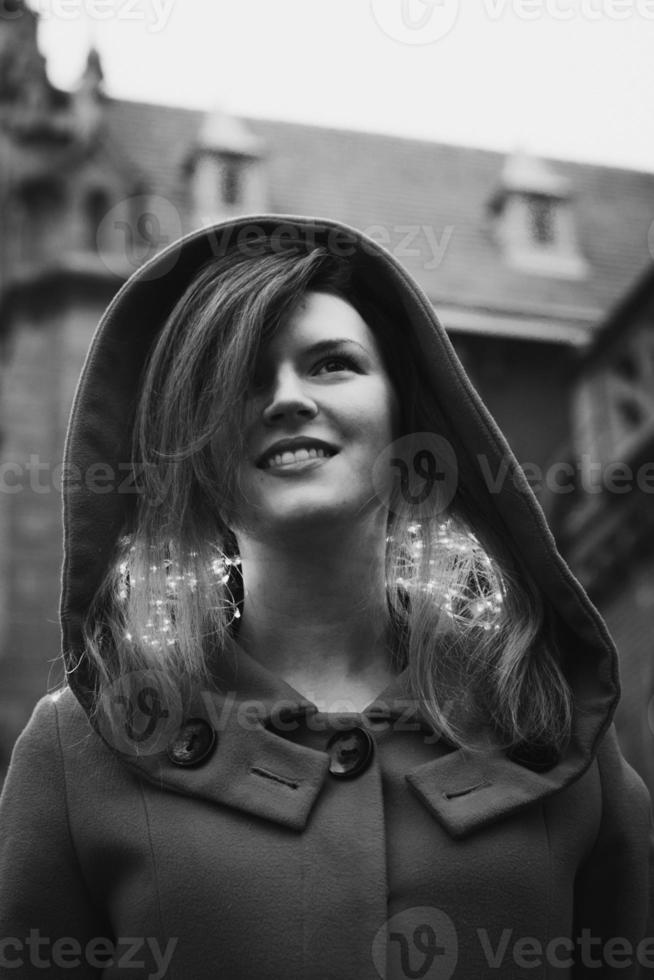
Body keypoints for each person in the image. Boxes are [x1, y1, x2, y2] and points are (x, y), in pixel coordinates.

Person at [0, 214, 652, 980]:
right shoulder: (78, 748)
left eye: (332, 364)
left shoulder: (549, 714)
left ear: (406, 418)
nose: (285, 398)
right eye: (240, 380)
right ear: (192, 449)